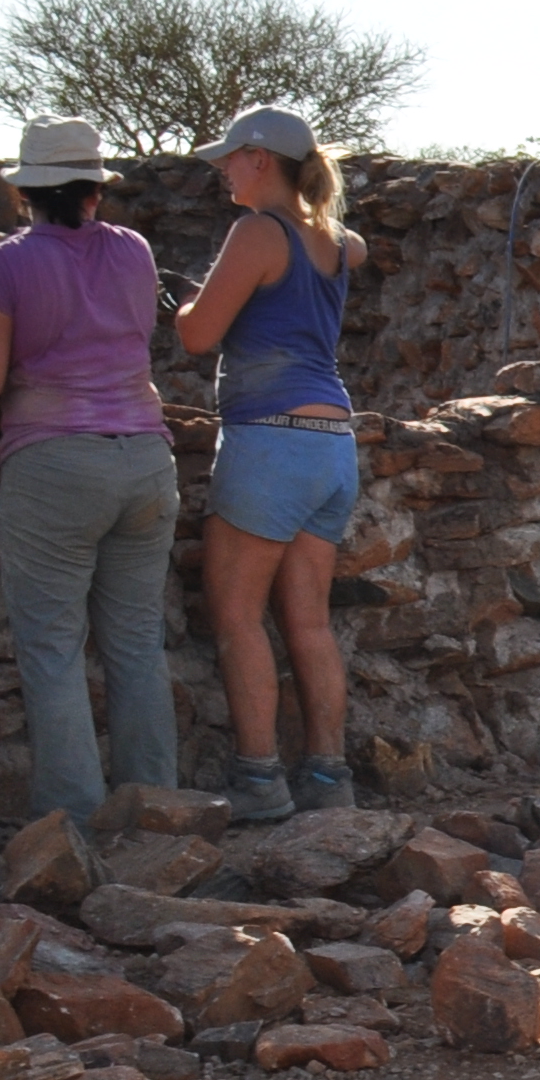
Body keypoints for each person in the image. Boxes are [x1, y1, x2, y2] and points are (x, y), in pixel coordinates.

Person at [0, 118, 181, 822]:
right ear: (97, 188)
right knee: (135, 644)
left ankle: (74, 830)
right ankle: (155, 816)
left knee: (54, 651)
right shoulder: (134, 251)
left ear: (28, 190)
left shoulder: (6, 262)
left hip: (55, 461)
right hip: (147, 460)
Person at [171, 106, 367, 820]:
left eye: (230, 157)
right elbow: (355, 247)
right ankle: (329, 778)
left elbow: (198, 336)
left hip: (269, 440)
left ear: (260, 158)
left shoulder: (256, 232)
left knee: (237, 617)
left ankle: (259, 781)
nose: (223, 169)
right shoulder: (340, 242)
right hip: (332, 444)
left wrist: (180, 305)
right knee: (308, 621)